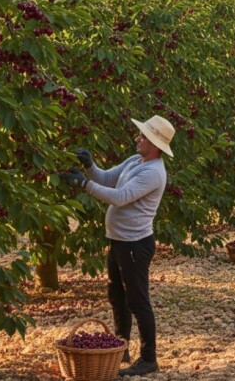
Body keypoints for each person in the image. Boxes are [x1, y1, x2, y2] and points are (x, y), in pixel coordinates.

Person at [60, 115, 175, 377]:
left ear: (155, 144)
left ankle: (148, 358)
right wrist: (90, 167)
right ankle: (120, 347)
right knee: (117, 296)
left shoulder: (153, 172)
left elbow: (120, 197)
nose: (138, 138)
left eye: (143, 136)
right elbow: (109, 178)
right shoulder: (137, 160)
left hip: (135, 244)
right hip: (120, 241)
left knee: (137, 300)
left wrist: (84, 184)